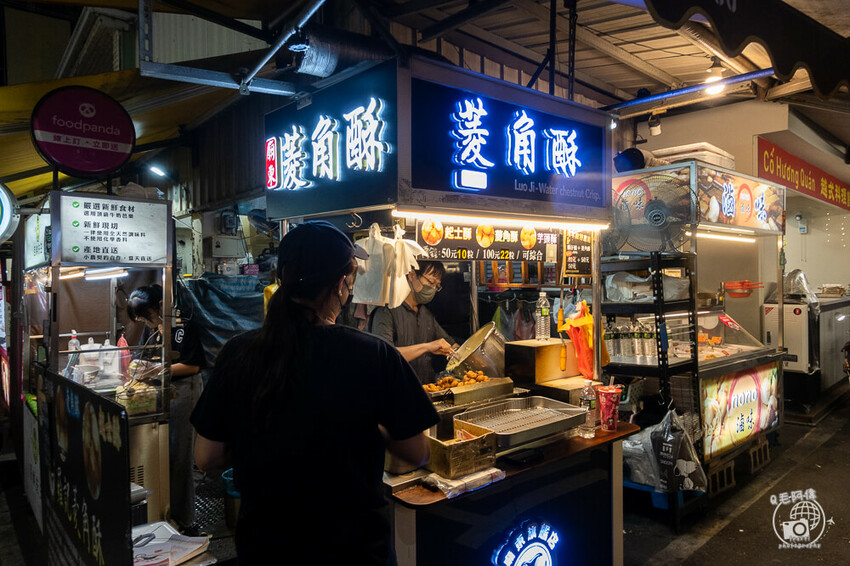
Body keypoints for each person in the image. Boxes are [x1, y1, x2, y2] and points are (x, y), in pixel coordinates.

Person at [190, 221, 439, 565]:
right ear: (341, 284)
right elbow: (418, 452)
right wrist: (372, 432)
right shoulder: (374, 355)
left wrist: (267, 439)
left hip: (266, 547)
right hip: (354, 550)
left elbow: (206, 457)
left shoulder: (238, 353)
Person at [126, 284, 204, 534]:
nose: (145, 323)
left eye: (147, 316)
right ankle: (163, 512)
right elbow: (145, 356)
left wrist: (158, 370)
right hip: (160, 392)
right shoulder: (152, 328)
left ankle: (185, 519)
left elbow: (192, 366)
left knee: (179, 457)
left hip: (183, 392)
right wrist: (140, 365)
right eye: (141, 319)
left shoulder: (184, 324)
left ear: (161, 305)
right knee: (162, 454)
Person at [369, 261, 460, 384]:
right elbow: (385, 356)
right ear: (412, 275)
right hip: (395, 391)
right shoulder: (386, 312)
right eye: (431, 282)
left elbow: (451, 345)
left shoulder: (426, 315)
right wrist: (427, 347)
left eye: (437, 286)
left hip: (425, 391)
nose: (432, 289)